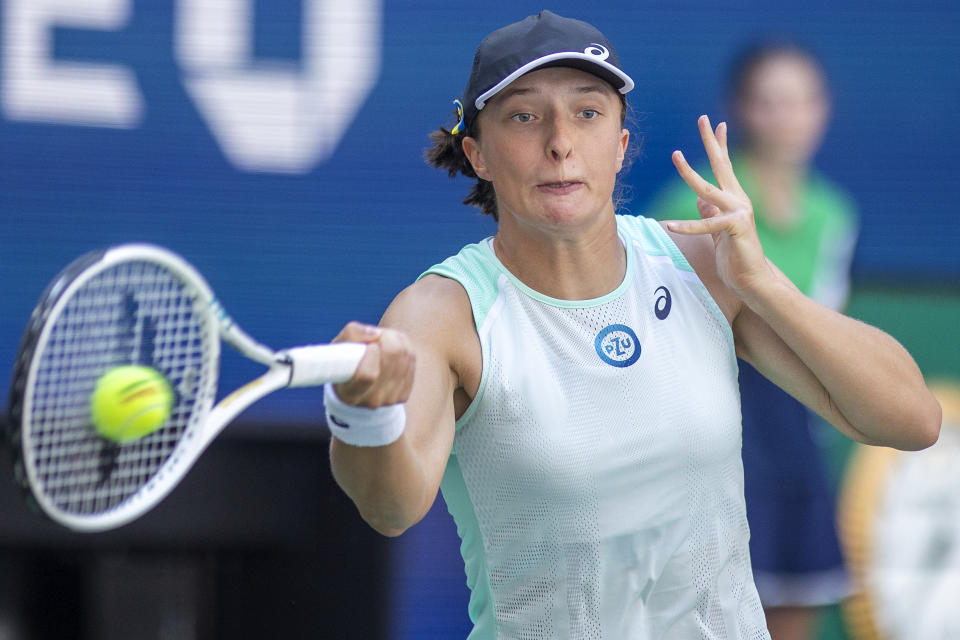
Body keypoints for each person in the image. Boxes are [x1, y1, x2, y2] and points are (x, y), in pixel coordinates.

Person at [322, 11, 941, 639]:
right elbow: (390, 508)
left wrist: (763, 282)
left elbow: (912, 420)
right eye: (524, 116)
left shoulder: (703, 267)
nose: (560, 141)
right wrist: (363, 414)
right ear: (477, 153)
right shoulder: (441, 312)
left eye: (588, 113)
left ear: (619, 146)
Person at [648, 42, 858, 640]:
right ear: (738, 111)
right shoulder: (684, 207)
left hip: (798, 443)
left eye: (800, 101)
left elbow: (828, 344)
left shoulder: (836, 214)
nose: (786, 118)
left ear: (823, 109)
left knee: (793, 612)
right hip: (713, 450)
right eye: (769, 102)